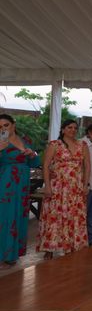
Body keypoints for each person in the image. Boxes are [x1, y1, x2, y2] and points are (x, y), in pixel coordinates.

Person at [37, 119, 90, 259]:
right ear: (63, 129)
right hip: (58, 186)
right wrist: (47, 186)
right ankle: (49, 247)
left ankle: (73, 244)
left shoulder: (82, 145)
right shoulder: (55, 144)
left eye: (74, 128)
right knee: (54, 216)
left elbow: (87, 166)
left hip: (76, 186)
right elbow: (46, 166)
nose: (72, 130)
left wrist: (85, 185)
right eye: (69, 127)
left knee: (74, 215)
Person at [0, 114, 40, 267]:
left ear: (13, 125)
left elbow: (35, 163)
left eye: (6, 125)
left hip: (23, 185)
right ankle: (4, 253)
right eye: (0, 127)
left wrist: (32, 154)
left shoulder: (25, 140)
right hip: (5, 184)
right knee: (5, 217)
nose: (3, 129)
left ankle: (13, 253)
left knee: (19, 216)